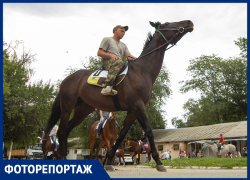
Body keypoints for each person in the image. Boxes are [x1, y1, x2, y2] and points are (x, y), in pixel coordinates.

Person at [97, 25, 136, 95]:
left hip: (119, 63)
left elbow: (129, 57)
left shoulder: (123, 45)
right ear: (116, 30)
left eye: (124, 32)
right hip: (107, 62)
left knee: (131, 65)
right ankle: (107, 86)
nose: (123, 33)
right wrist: (111, 55)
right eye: (122, 31)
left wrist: (137, 59)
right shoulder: (107, 39)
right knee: (119, 62)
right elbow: (99, 52)